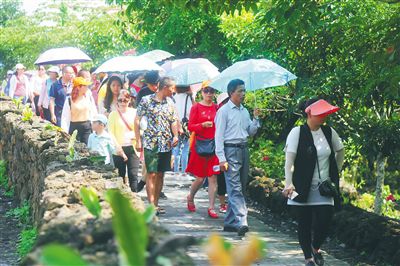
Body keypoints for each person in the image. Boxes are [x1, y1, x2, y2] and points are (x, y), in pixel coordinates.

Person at [282, 99, 345, 266]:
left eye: (325, 114)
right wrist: (289, 183)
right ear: (309, 113)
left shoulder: (329, 132)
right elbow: (289, 161)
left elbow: (340, 150)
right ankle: (308, 258)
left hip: (324, 187)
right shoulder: (297, 132)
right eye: (320, 114)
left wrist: (335, 172)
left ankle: (315, 247)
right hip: (302, 186)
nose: (324, 117)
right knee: (304, 222)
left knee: (325, 219)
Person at [215, 79, 261, 236]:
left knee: (239, 186)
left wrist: (256, 119)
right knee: (234, 188)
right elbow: (218, 137)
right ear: (231, 93)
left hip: (243, 149)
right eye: (240, 91)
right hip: (230, 151)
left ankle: (229, 222)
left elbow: (250, 131)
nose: (243, 94)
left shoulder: (244, 111)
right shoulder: (223, 111)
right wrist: (222, 158)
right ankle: (242, 220)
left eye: (244, 90)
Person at [135, 76, 179, 214]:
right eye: (172, 89)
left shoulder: (170, 103)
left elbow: (173, 120)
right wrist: (138, 140)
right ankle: (151, 205)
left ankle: (156, 203)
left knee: (160, 174)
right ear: (165, 88)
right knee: (151, 173)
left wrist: (176, 135)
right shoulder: (146, 100)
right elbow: (137, 120)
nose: (173, 91)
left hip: (166, 143)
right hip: (151, 142)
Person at [185, 84, 220, 218]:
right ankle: (191, 196)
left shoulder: (217, 108)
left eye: (212, 91)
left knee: (213, 176)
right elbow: (190, 126)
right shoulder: (196, 107)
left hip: (214, 145)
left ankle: (211, 207)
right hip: (200, 145)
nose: (209, 94)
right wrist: (202, 125)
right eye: (206, 91)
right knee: (200, 177)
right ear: (202, 92)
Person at [108, 90, 140, 192]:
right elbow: (111, 132)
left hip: (132, 147)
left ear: (129, 100)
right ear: (117, 101)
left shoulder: (135, 112)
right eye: (120, 100)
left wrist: (136, 136)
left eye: (125, 100)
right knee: (120, 176)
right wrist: (118, 147)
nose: (122, 103)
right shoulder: (113, 114)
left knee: (133, 175)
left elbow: (142, 128)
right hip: (118, 148)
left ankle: (135, 200)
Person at [135, 70, 161, 192]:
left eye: (156, 84)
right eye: (151, 85)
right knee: (148, 160)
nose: (154, 87)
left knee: (159, 166)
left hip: (162, 133)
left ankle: (148, 183)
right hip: (147, 131)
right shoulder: (143, 94)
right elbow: (138, 116)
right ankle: (145, 181)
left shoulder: (163, 93)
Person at [61, 77, 97, 144]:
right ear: (78, 87)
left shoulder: (89, 97)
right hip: (74, 127)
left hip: (87, 127)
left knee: (87, 148)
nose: (87, 87)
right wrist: (64, 131)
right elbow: (65, 117)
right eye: (85, 86)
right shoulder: (69, 100)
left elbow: (93, 112)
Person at [172, 85, 193, 175]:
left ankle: (176, 170)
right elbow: (191, 111)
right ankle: (184, 171)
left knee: (176, 149)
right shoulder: (188, 97)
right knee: (185, 149)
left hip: (175, 125)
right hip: (185, 126)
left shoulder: (173, 97)